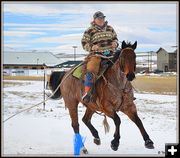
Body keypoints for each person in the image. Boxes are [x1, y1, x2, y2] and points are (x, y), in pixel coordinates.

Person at [81, 11, 119, 103]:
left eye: (102, 18)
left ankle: (126, 92)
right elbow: (84, 43)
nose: (101, 20)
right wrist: (91, 47)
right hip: (97, 55)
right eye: (99, 18)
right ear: (94, 20)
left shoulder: (110, 28)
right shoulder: (89, 30)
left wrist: (115, 43)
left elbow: (115, 38)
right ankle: (87, 92)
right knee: (90, 70)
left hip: (111, 54)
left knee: (123, 66)